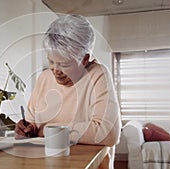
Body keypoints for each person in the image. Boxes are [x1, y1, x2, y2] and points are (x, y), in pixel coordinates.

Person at [14, 14, 121, 168]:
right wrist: (27, 129)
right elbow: (33, 125)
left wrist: (46, 130)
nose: (55, 70)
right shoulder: (44, 78)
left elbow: (108, 133)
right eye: (51, 61)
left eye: (64, 64)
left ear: (85, 59)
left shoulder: (98, 74)